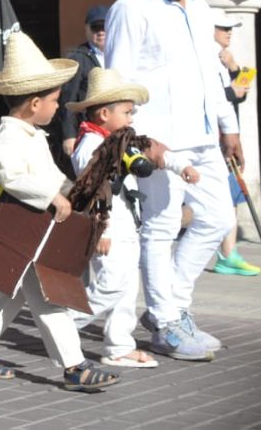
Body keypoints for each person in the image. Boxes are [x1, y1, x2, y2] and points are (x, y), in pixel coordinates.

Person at [105, 0, 239, 360]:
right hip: (159, 142)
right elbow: (118, 80)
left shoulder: (199, 6)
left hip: (202, 137)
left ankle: (170, 306)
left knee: (217, 219)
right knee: (161, 229)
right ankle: (166, 324)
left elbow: (210, 73)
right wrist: (138, 140)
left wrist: (228, 125)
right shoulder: (131, 7)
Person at [0, 32, 117, 392]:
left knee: (9, 293)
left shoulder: (29, 134)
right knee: (46, 297)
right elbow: (10, 175)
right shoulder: (8, 137)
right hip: (21, 229)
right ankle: (74, 366)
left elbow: (49, 176)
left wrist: (68, 193)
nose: (58, 107)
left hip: (31, 232)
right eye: (55, 100)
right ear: (33, 104)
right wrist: (51, 196)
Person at [66, 68, 198, 368]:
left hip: (127, 221)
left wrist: (179, 165)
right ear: (103, 113)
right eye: (126, 112)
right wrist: (103, 230)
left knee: (126, 288)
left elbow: (150, 148)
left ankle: (119, 346)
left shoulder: (120, 139)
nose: (131, 118)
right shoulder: (89, 146)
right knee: (110, 284)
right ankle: (63, 322)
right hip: (108, 223)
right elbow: (94, 190)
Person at [208, 8, 260, 277]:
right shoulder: (203, 56)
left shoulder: (225, 57)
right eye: (222, 27)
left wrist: (234, 68)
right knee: (223, 197)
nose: (228, 32)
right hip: (213, 139)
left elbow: (244, 90)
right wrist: (231, 90)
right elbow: (207, 97)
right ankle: (226, 253)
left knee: (233, 196)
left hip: (230, 136)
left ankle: (229, 253)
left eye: (230, 28)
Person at [56, 5, 108, 167]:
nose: (100, 32)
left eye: (104, 27)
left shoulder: (117, 53)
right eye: (95, 27)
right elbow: (68, 99)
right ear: (87, 29)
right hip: (88, 130)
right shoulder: (78, 57)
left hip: (112, 127)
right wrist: (69, 135)